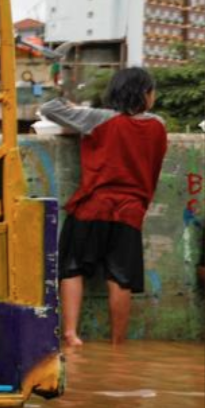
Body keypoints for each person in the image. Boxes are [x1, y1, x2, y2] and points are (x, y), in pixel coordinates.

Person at [39, 68, 168, 346]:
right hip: (130, 211)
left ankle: (71, 334)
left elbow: (48, 107)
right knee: (120, 277)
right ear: (144, 94)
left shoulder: (96, 119)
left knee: (73, 269)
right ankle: (117, 342)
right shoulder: (158, 124)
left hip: (92, 206)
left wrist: (76, 108)